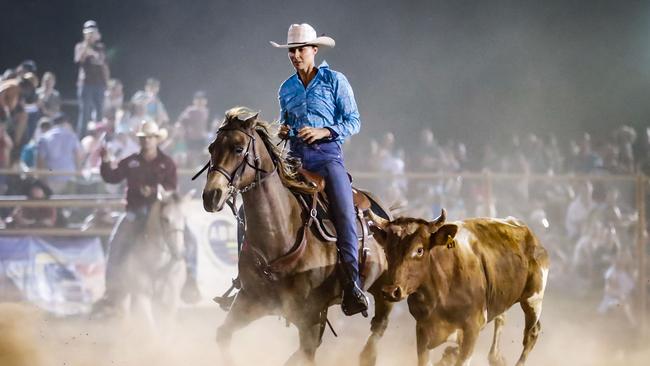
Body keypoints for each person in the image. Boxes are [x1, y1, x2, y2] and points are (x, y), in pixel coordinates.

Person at [271, 23, 368, 316]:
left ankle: (353, 283)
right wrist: (284, 130)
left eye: (300, 49)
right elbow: (282, 123)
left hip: (327, 159)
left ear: (314, 50)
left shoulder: (335, 81)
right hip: (295, 158)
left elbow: (354, 121)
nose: (295, 55)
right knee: (258, 200)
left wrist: (324, 131)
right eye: (291, 50)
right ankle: (248, 280)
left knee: (343, 211)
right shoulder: (286, 88)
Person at [93, 120, 200, 316]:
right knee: (116, 243)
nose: (146, 141)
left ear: (156, 139)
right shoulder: (130, 161)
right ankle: (112, 291)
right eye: (143, 138)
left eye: (150, 137)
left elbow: (171, 188)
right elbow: (112, 177)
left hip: (160, 210)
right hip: (135, 211)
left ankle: (191, 279)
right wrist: (106, 162)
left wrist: (153, 191)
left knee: (190, 239)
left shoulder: (166, 163)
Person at [75, 20, 109, 137]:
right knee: (85, 113)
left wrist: (107, 83)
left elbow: (102, 61)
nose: (91, 35)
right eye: (89, 33)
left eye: (93, 32)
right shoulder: (80, 46)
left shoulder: (100, 47)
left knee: (99, 113)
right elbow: (79, 60)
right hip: (86, 84)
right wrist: (86, 44)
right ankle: (81, 138)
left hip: (99, 84)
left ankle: (99, 138)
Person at [36, 113, 83, 194]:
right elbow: (78, 156)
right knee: (68, 204)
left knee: (53, 203)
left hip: (51, 177)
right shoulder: (72, 136)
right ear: (66, 123)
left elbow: (40, 161)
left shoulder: (44, 137)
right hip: (69, 176)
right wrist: (78, 173)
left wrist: (42, 178)